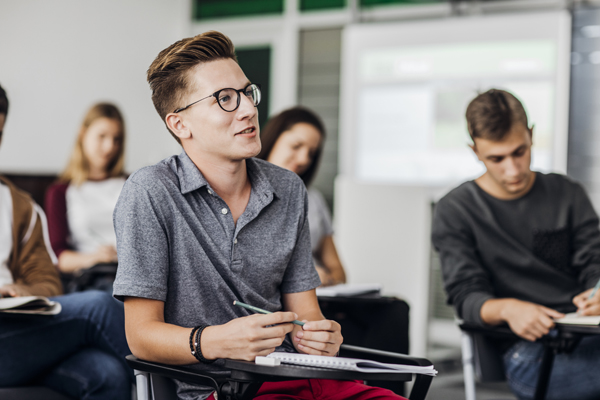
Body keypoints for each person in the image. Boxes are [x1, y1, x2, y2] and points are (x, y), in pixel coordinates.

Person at [112, 31, 405, 400]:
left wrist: (320, 336)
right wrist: (218, 340)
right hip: (226, 389)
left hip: (307, 377)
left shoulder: (289, 188)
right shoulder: (151, 191)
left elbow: (307, 314)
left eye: (247, 93)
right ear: (179, 124)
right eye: (225, 100)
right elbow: (141, 337)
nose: (249, 109)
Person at [432, 88, 600, 400]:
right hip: (527, 353)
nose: (513, 169)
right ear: (475, 151)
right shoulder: (456, 210)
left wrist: (598, 292)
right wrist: (508, 309)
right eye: (496, 158)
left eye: (519, 152)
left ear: (532, 136)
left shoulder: (567, 193)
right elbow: (466, 296)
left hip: (587, 333)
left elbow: (595, 264)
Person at [0, 84, 133, 399]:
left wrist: (22, 292)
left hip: (20, 330)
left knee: (108, 375)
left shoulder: (18, 205)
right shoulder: (61, 192)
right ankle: (191, 388)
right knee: (99, 306)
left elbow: (47, 281)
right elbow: (63, 256)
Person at [258, 106, 346, 286]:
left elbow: (339, 273)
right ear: (273, 139)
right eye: (296, 146)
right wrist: (307, 277)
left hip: (320, 295)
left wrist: (324, 279)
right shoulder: (242, 191)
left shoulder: (313, 199)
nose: (304, 159)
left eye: (311, 153)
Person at [45, 103, 126, 279]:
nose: (109, 147)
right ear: (83, 134)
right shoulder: (60, 192)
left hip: (131, 273)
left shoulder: (131, 184)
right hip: (92, 277)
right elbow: (60, 258)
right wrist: (96, 257)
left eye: (116, 139)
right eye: (102, 136)